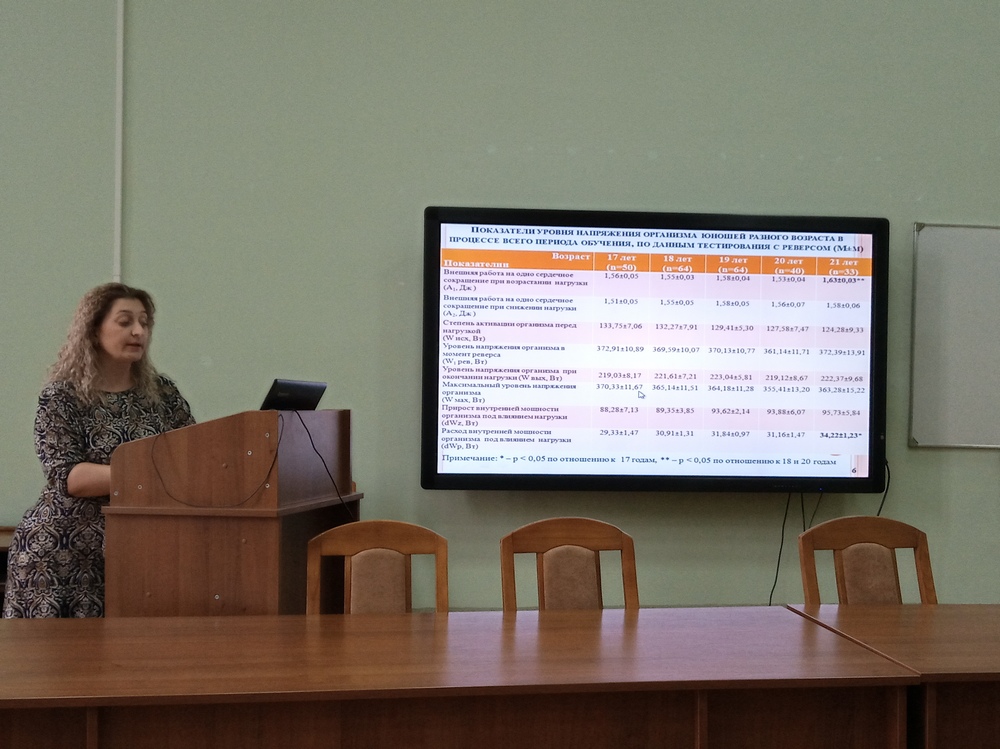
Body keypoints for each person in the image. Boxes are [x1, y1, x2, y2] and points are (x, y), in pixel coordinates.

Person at [2, 283, 195, 618]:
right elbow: (70, 477)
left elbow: (194, 453)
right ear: (93, 330)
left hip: (144, 547)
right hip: (65, 552)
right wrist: (149, 474)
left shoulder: (163, 393)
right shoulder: (62, 397)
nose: (138, 331)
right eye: (125, 321)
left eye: (144, 322)